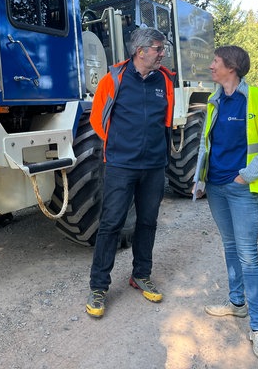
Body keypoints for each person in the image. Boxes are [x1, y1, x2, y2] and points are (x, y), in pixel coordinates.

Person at [193, 45, 258, 361]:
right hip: (216, 188)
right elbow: (207, 144)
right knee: (230, 248)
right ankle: (237, 305)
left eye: (215, 61)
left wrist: (248, 174)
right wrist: (200, 181)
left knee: (248, 256)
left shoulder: (256, 98)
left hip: (242, 189)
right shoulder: (214, 102)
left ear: (231, 66)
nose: (211, 66)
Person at [86, 27, 175, 318]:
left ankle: (141, 275)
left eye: (162, 49)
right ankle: (99, 287)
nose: (162, 53)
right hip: (122, 166)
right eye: (158, 49)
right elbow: (98, 120)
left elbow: (166, 121)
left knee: (148, 222)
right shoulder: (114, 78)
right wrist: (120, 149)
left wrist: (162, 156)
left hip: (153, 166)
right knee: (111, 223)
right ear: (141, 51)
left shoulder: (165, 80)